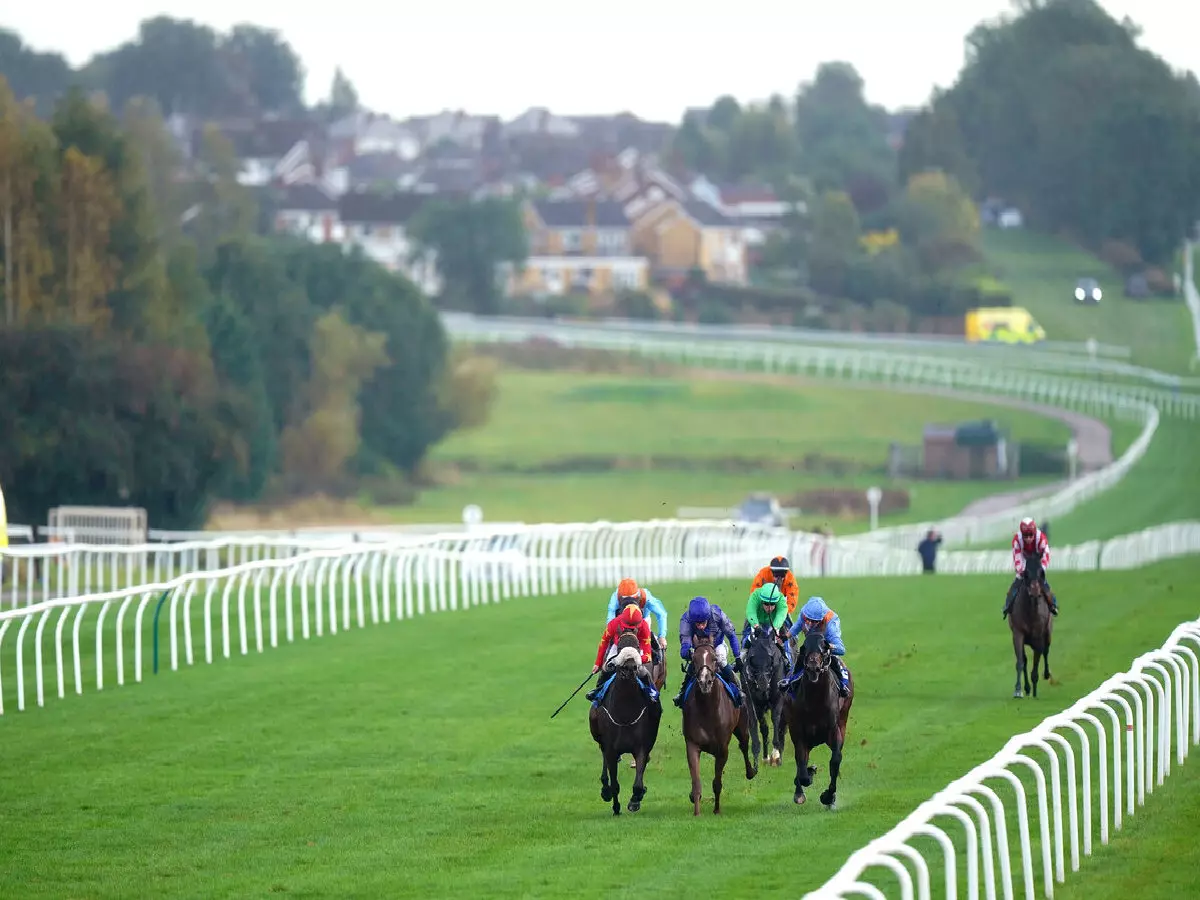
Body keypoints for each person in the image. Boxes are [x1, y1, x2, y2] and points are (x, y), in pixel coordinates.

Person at [673, 596, 742, 707]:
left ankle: (738, 690)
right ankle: (682, 693)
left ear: (708, 617)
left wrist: (737, 657)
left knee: (720, 659)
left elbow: (732, 635)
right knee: (695, 664)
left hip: (717, 646)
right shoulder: (686, 620)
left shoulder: (717, 614)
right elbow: (684, 647)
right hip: (698, 649)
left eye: (703, 623)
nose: (700, 627)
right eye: (697, 624)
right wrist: (689, 653)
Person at [586, 605, 658, 703]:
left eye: (633, 629)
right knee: (607, 668)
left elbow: (648, 655)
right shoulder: (614, 623)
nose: (630, 631)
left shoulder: (644, 626)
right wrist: (598, 663)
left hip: (637, 648)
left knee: (643, 671)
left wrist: (637, 658)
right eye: (627, 628)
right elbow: (604, 642)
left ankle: (652, 694)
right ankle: (598, 692)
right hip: (618, 647)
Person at [784, 596, 849, 697]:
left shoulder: (831, 622)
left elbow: (841, 649)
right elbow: (797, 626)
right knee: (800, 658)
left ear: (821, 619)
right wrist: (785, 636)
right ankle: (790, 682)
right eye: (808, 619)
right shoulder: (805, 613)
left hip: (825, 647)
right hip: (810, 644)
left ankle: (842, 685)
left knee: (834, 661)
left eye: (814, 621)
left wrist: (829, 646)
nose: (809, 623)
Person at [1003, 517, 1058, 618]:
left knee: (1042, 581)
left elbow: (1046, 554)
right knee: (1018, 580)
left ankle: (1053, 604)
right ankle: (1008, 604)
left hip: (1037, 558)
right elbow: (1017, 557)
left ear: (1034, 533)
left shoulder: (1041, 538)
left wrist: (1042, 569)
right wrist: (1021, 570)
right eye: (1025, 536)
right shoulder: (1017, 540)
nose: (1028, 538)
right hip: (1024, 558)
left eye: (1030, 535)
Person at [607, 577, 669, 666]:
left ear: (638, 597)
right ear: (620, 598)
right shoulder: (615, 597)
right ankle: (605, 666)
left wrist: (662, 636)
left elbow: (661, 614)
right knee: (608, 643)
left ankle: (659, 665)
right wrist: (611, 633)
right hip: (622, 621)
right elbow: (611, 616)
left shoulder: (646, 597)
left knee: (655, 643)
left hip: (643, 620)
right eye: (625, 600)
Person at [742, 582, 792, 668]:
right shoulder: (755, 596)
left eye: (773, 604)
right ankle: (742, 656)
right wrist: (756, 626)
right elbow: (751, 612)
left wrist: (775, 628)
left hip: (775, 622)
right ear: (761, 600)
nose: (769, 608)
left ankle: (787, 659)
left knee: (784, 639)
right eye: (766, 604)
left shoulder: (781, 599)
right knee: (747, 636)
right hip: (757, 621)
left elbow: (781, 615)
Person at [748, 555, 799, 625]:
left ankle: (793, 635)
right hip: (763, 606)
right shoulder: (763, 574)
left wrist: (781, 610)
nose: (779, 578)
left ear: (786, 573)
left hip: (780, 605)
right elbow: (753, 596)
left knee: (790, 629)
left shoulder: (791, 579)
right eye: (776, 575)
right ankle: (746, 634)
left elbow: (792, 602)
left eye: (782, 575)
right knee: (750, 617)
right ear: (771, 571)